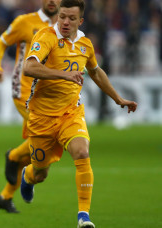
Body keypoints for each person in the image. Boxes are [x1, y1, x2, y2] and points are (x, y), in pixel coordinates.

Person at [20, 0, 137, 227]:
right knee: (40, 173)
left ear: (80, 21)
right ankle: (27, 176)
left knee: (82, 152)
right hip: (41, 118)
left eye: (71, 18)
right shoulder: (46, 37)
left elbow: (95, 71)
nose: (65, 22)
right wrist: (63, 74)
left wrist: (118, 98)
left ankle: (83, 216)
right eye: (62, 16)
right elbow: (29, 67)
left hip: (71, 113)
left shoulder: (85, 44)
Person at [0, 0, 61, 213]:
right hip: (24, 92)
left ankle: (5, 196)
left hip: (50, 97)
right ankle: (11, 156)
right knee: (46, 138)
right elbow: (1, 42)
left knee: (35, 153)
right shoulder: (24, 22)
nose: (51, 1)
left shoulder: (65, 26)